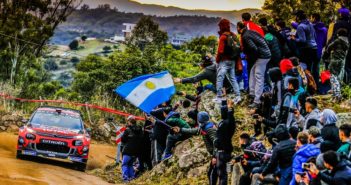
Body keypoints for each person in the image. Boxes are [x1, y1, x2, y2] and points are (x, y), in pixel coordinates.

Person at [172, 111, 218, 185]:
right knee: (212, 174)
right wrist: (180, 129)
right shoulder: (204, 127)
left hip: (219, 155)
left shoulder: (209, 129)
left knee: (215, 175)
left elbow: (217, 143)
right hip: (216, 155)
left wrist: (215, 157)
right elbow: (192, 131)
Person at [237, 22, 271, 108]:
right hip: (264, 53)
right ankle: (252, 94)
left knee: (258, 76)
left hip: (262, 56)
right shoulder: (251, 31)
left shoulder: (245, 36)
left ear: (239, 28)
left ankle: (257, 101)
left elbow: (253, 48)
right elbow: (264, 40)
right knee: (252, 73)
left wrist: (250, 58)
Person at [214, 19, 242, 104]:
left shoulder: (223, 36)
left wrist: (217, 60)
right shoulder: (233, 35)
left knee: (220, 78)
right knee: (233, 78)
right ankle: (238, 96)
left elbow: (220, 51)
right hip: (233, 61)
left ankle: (219, 97)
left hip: (224, 61)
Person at [292, 10, 319, 87]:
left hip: (306, 49)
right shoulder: (310, 24)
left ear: (298, 17)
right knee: (313, 69)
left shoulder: (300, 27)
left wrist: (294, 39)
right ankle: (315, 85)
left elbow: (302, 40)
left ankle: (307, 87)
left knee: (306, 68)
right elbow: (315, 36)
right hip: (314, 48)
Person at [323, 28, 350, 101]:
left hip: (335, 60)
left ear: (338, 34)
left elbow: (329, 47)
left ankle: (337, 95)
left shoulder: (337, 41)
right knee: (338, 77)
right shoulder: (347, 42)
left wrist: (328, 53)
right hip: (342, 61)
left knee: (333, 78)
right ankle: (335, 94)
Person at [214, 99, 236, 185]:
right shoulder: (228, 123)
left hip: (221, 153)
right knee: (226, 173)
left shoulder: (225, 123)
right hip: (227, 152)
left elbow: (229, 116)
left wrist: (230, 108)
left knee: (222, 175)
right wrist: (225, 101)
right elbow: (229, 116)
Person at [121, 115, 143, 182]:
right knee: (130, 165)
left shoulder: (127, 130)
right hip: (136, 151)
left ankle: (126, 179)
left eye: (128, 121)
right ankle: (132, 179)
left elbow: (123, 139)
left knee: (124, 164)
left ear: (129, 122)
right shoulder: (140, 129)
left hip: (128, 150)